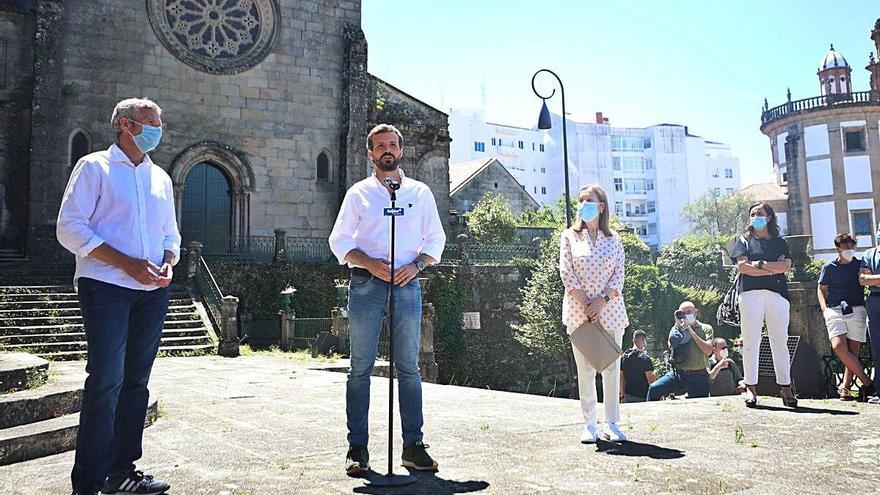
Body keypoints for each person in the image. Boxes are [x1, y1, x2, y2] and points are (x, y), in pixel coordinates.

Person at [57, 98, 179, 495]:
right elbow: (69, 228)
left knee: (136, 382)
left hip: (152, 292)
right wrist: (126, 263)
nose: (158, 129)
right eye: (151, 123)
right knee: (106, 380)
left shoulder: (160, 177)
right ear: (126, 125)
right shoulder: (94, 167)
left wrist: (167, 261)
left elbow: (170, 234)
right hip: (106, 288)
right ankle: (88, 484)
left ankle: (122, 472)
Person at [328, 124, 446, 476]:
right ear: (370, 154)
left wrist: (417, 265)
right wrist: (368, 263)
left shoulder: (419, 193)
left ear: (401, 150)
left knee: (409, 367)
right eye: (380, 146)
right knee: (359, 368)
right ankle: (357, 448)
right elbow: (340, 240)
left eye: (392, 145)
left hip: (407, 285)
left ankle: (413, 446)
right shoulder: (358, 194)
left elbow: (436, 239)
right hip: (366, 285)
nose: (387, 150)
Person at [559, 184, 629, 443]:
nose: (584, 203)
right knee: (585, 370)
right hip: (579, 313)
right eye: (581, 200)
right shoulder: (569, 236)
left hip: (610, 311)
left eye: (590, 199)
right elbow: (566, 272)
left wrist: (600, 302)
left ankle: (612, 423)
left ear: (601, 206)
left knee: (611, 369)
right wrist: (587, 304)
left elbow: (619, 274)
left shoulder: (614, 239)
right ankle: (589, 424)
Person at [731, 202, 797, 408]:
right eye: (752, 214)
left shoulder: (779, 242)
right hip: (750, 294)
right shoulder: (743, 241)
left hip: (777, 295)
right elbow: (743, 267)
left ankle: (785, 387)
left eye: (759, 213)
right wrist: (771, 268)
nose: (755, 217)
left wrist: (759, 264)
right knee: (751, 341)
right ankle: (750, 387)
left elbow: (786, 266)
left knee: (780, 341)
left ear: (769, 217)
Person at [819, 234, 874, 401]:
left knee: (852, 352)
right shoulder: (829, 267)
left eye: (852, 247)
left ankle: (846, 389)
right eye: (846, 247)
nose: (849, 250)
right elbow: (821, 289)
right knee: (839, 347)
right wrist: (824, 309)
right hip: (835, 310)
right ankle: (868, 382)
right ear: (838, 248)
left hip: (856, 309)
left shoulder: (859, 265)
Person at [646, 302, 714, 400]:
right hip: (680, 373)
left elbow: (708, 350)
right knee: (654, 389)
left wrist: (691, 331)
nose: (686, 315)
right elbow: (671, 346)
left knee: (698, 406)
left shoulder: (706, 328)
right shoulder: (677, 329)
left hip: (698, 375)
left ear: (695, 312)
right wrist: (677, 327)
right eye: (683, 313)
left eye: (689, 312)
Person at [858, 223, 880, 404]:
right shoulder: (868, 254)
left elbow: (869, 278)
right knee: (877, 348)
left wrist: (874, 279)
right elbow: (863, 279)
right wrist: (870, 280)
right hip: (874, 303)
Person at [620, 330, 656, 403]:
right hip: (642, 396)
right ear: (643, 340)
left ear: (633, 340)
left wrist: (622, 395)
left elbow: (621, 378)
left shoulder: (624, 357)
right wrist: (655, 373)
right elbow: (651, 382)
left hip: (628, 396)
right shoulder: (644, 358)